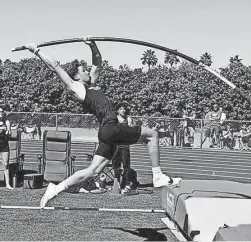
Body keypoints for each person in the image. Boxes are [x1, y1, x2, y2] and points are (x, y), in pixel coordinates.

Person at [24, 38, 181, 208]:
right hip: (111, 127)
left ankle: (55, 188)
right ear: (77, 75)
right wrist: (36, 51)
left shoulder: (92, 85)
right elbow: (55, 66)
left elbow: (98, 62)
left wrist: (92, 45)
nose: (87, 72)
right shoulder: (76, 87)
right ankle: (157, 175)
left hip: (107, 131)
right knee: (152, 135)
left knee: (94, 170)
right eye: (83, 70)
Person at [112, 102, 134, 195]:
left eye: (124, 109)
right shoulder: (114, 119)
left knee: (126, 165)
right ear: (118, 110)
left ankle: (127, 183)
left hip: (125, 146)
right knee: (116, 165)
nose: (123, 110)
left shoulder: (128, 119)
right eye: (121, 109)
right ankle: (116, 184)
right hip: (116, 146)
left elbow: (130, 129)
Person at [0, 106, 13, 189]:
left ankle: (7, 184)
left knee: (5, 164)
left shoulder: (7, 121)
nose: (1, 113)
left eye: (2, 111)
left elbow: (9, 134)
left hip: (4, 144)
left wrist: (8, 131)